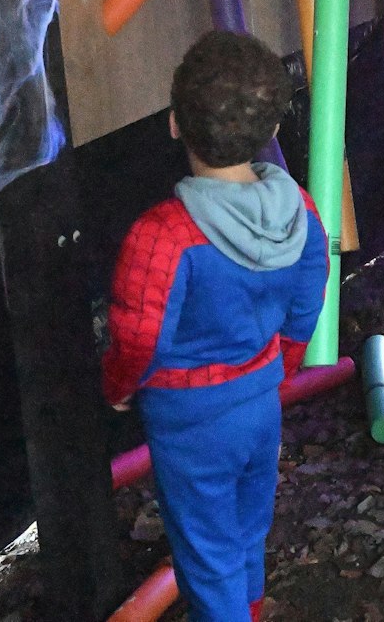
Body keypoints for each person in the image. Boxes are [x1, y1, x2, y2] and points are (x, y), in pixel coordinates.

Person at [101, 31, 328, 622]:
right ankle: (250, 608)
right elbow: (306, 306)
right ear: (274, 128)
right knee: (249, 523)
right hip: (259, 400)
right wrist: (282, 369)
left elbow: (138, 335)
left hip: (190, 421)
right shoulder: (301, 211)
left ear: (174, 123)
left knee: (206, 553)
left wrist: (120, 386)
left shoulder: (161, 236)